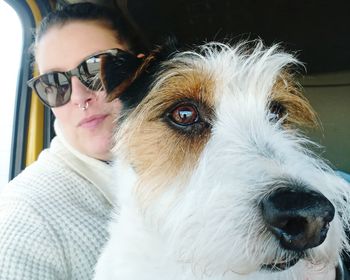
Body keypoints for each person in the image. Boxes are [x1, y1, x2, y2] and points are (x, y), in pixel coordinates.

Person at [0, 2, 147, 279]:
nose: (79, 97)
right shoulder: (27, 218)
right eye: (54, 83)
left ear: (142, 70)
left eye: (96, 68)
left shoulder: (200, 160)